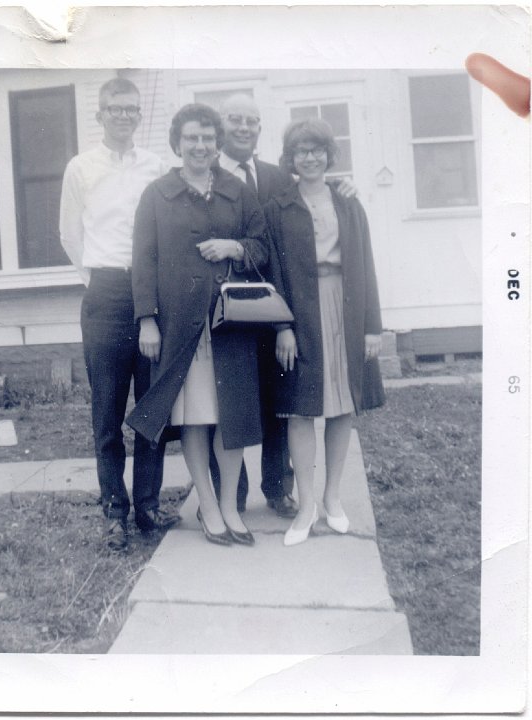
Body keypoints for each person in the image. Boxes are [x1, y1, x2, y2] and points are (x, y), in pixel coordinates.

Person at [211, 92, 360, 519]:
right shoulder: (206, 175)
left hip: (283, 298)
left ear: (260, 129)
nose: (243, 127)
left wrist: (344, 185)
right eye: (234, 119)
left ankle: (278, 488)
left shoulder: (278, 176)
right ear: (223, 128)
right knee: (232, 400)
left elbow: (312, 202)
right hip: (231, 302)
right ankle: (231, 498)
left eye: (251, 121)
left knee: (286, 393)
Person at [126, 103, 269, 546]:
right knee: (193, 416)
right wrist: (147, 320)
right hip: (180, 322)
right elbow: (143, 260)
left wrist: (233, 247)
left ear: (217, 143)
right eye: (192, 138)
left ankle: (230, 505)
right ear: (178, 142)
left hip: (230, 323)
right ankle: (207, 506)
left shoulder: (237, 190)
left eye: (208, 138)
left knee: (232, 416)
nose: (201, 146)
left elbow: (262, 247)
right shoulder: (157, 193)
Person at [59, 77, 179, 552]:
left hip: (151, 292)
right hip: (106, 293)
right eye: (115, 109)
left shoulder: (158, 167)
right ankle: (114, 510)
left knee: (152, 407)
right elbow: (70, 236)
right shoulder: (81, 168)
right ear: (100, 114)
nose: (124, 116)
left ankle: (148, 507)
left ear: (138, 115)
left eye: (131, 109)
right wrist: (101, 282)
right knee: (107, 410)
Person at [263, 117, 386, 546]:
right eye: (301, 151)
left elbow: (365, 264)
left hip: (346, 310)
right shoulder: (278, 207)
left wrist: (372, 326)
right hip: (301, 313)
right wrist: (283, 326)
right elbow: (274, 271)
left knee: (342, 405)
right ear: (291, 158)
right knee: (301, 408)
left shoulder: (349, 203)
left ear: (328, 155)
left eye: (317, 150)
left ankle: (333, 498)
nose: (310, 157)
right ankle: (306, 504)